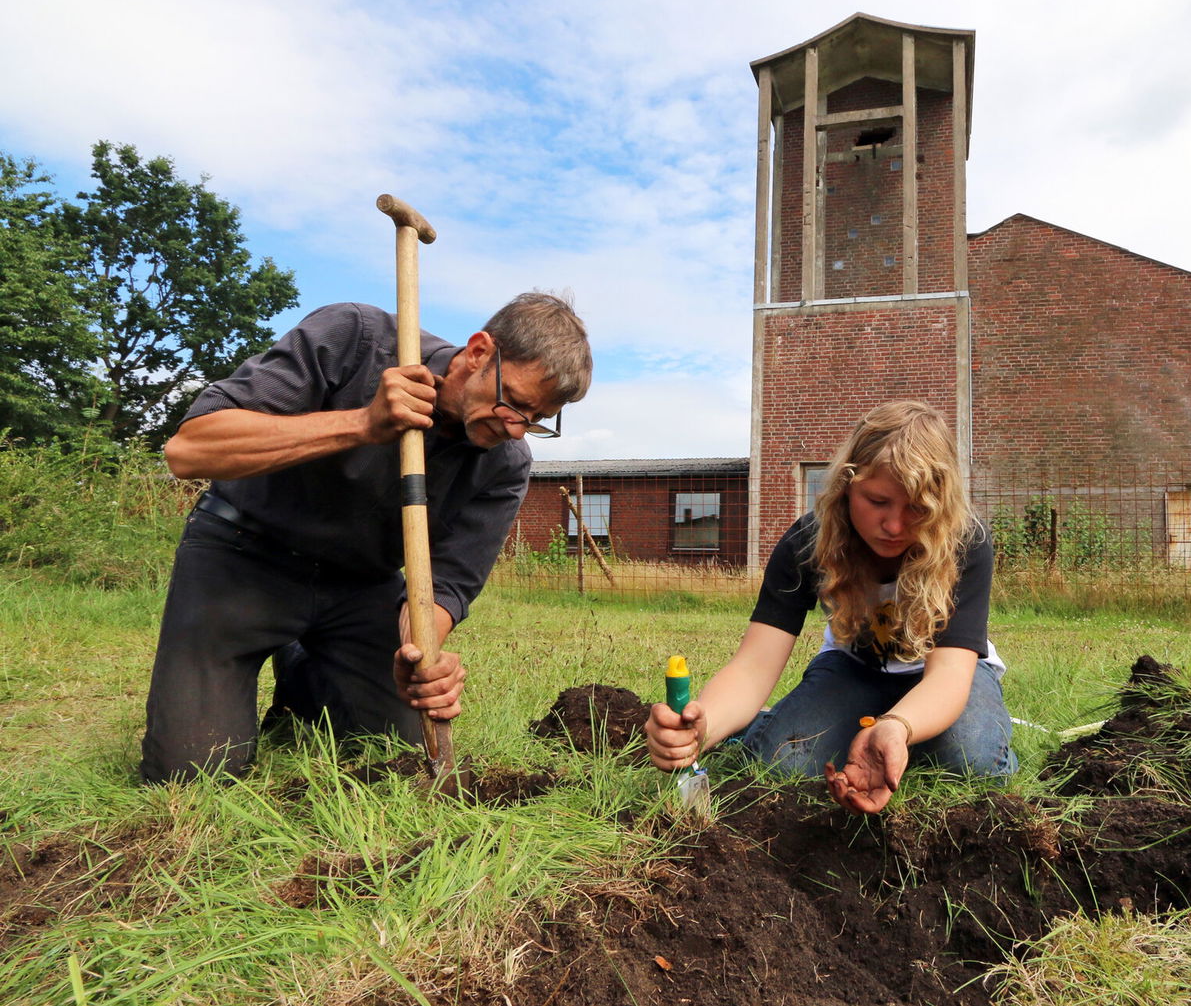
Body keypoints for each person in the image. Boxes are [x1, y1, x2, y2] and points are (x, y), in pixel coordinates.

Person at [139, 293, 591, 783]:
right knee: (193, 770)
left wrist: (420, 653)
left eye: (535, 420)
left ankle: (304, 675)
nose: (517, 429)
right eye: (515, 403)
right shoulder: (355, 338)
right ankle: (247, 666)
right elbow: (191, 450)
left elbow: (449, 583)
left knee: (398, 748)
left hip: (361, 586)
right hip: (242, 554)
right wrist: (362, 423)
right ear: (480, 352)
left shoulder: (506, 464)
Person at [645, 400, 1016, 814]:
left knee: (974, 762)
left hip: (945, 677)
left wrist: (897, 727)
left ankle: (904, 734)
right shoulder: (808, 541)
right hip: (853, 669)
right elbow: (753, 666)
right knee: (783, 762)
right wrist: (702, 729)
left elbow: (949, 676)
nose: (894, 525)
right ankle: (771, 721)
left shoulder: (965, 541)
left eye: (916, 507)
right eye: (877, 501)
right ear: (846, 485)